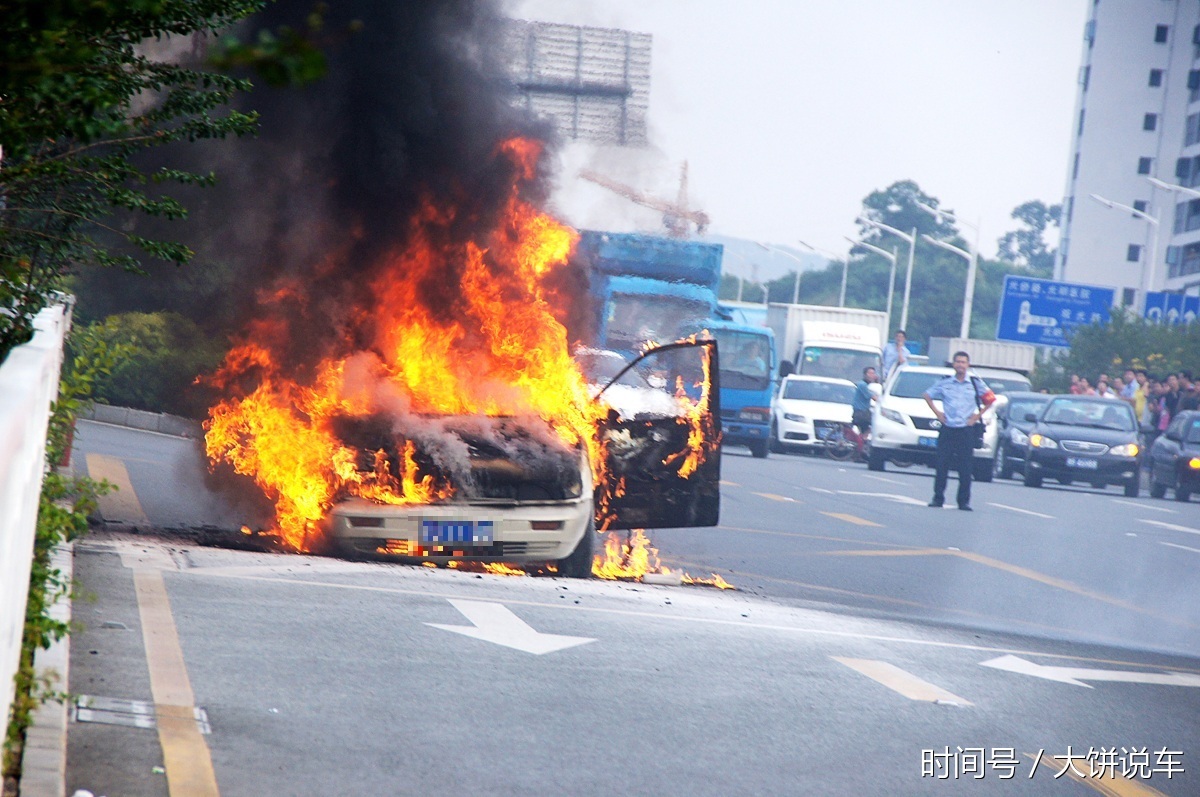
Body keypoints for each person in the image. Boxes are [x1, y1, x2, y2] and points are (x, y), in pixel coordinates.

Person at [923, 351, 990, 511]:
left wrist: (976, 417)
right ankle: (938, 498)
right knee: (942, 465)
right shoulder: (946, 382)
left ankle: (963, 501)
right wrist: (938, 413)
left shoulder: (975, 383)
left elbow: (990, 399)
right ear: (954, 364)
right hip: (948, 429)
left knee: (965, 468)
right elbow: (927, 395)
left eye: (963, 362)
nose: (960, 365)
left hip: (966, 430)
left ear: (968, 365)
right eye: (958, 362)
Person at [852, 366, 878, 435]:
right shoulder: (862, 385)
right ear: (865, 374)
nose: (872, 375)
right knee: (871, 426)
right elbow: (873, 397)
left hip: (864, 411)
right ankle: (862, 441)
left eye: (873, 373)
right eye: (870, 373)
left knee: (865, 429)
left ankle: (861, 441)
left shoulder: (867, 385)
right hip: (861, 412)